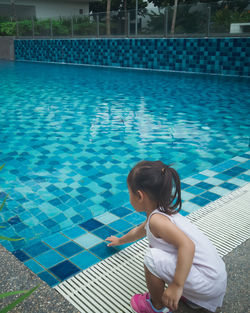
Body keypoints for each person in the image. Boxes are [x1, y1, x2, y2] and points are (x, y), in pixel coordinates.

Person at [106, 161, 227, 313]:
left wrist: (176, 285)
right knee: (165, 256)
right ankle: (194, 298)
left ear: (139, 196)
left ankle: (156, 306)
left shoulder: (157, 220)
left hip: (207, 284)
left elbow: (187, 245)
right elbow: (140, 231)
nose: (129, 196)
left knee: (152, 258)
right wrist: (120, 241)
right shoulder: (162, 212)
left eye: (129, 192)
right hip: (214, 278)